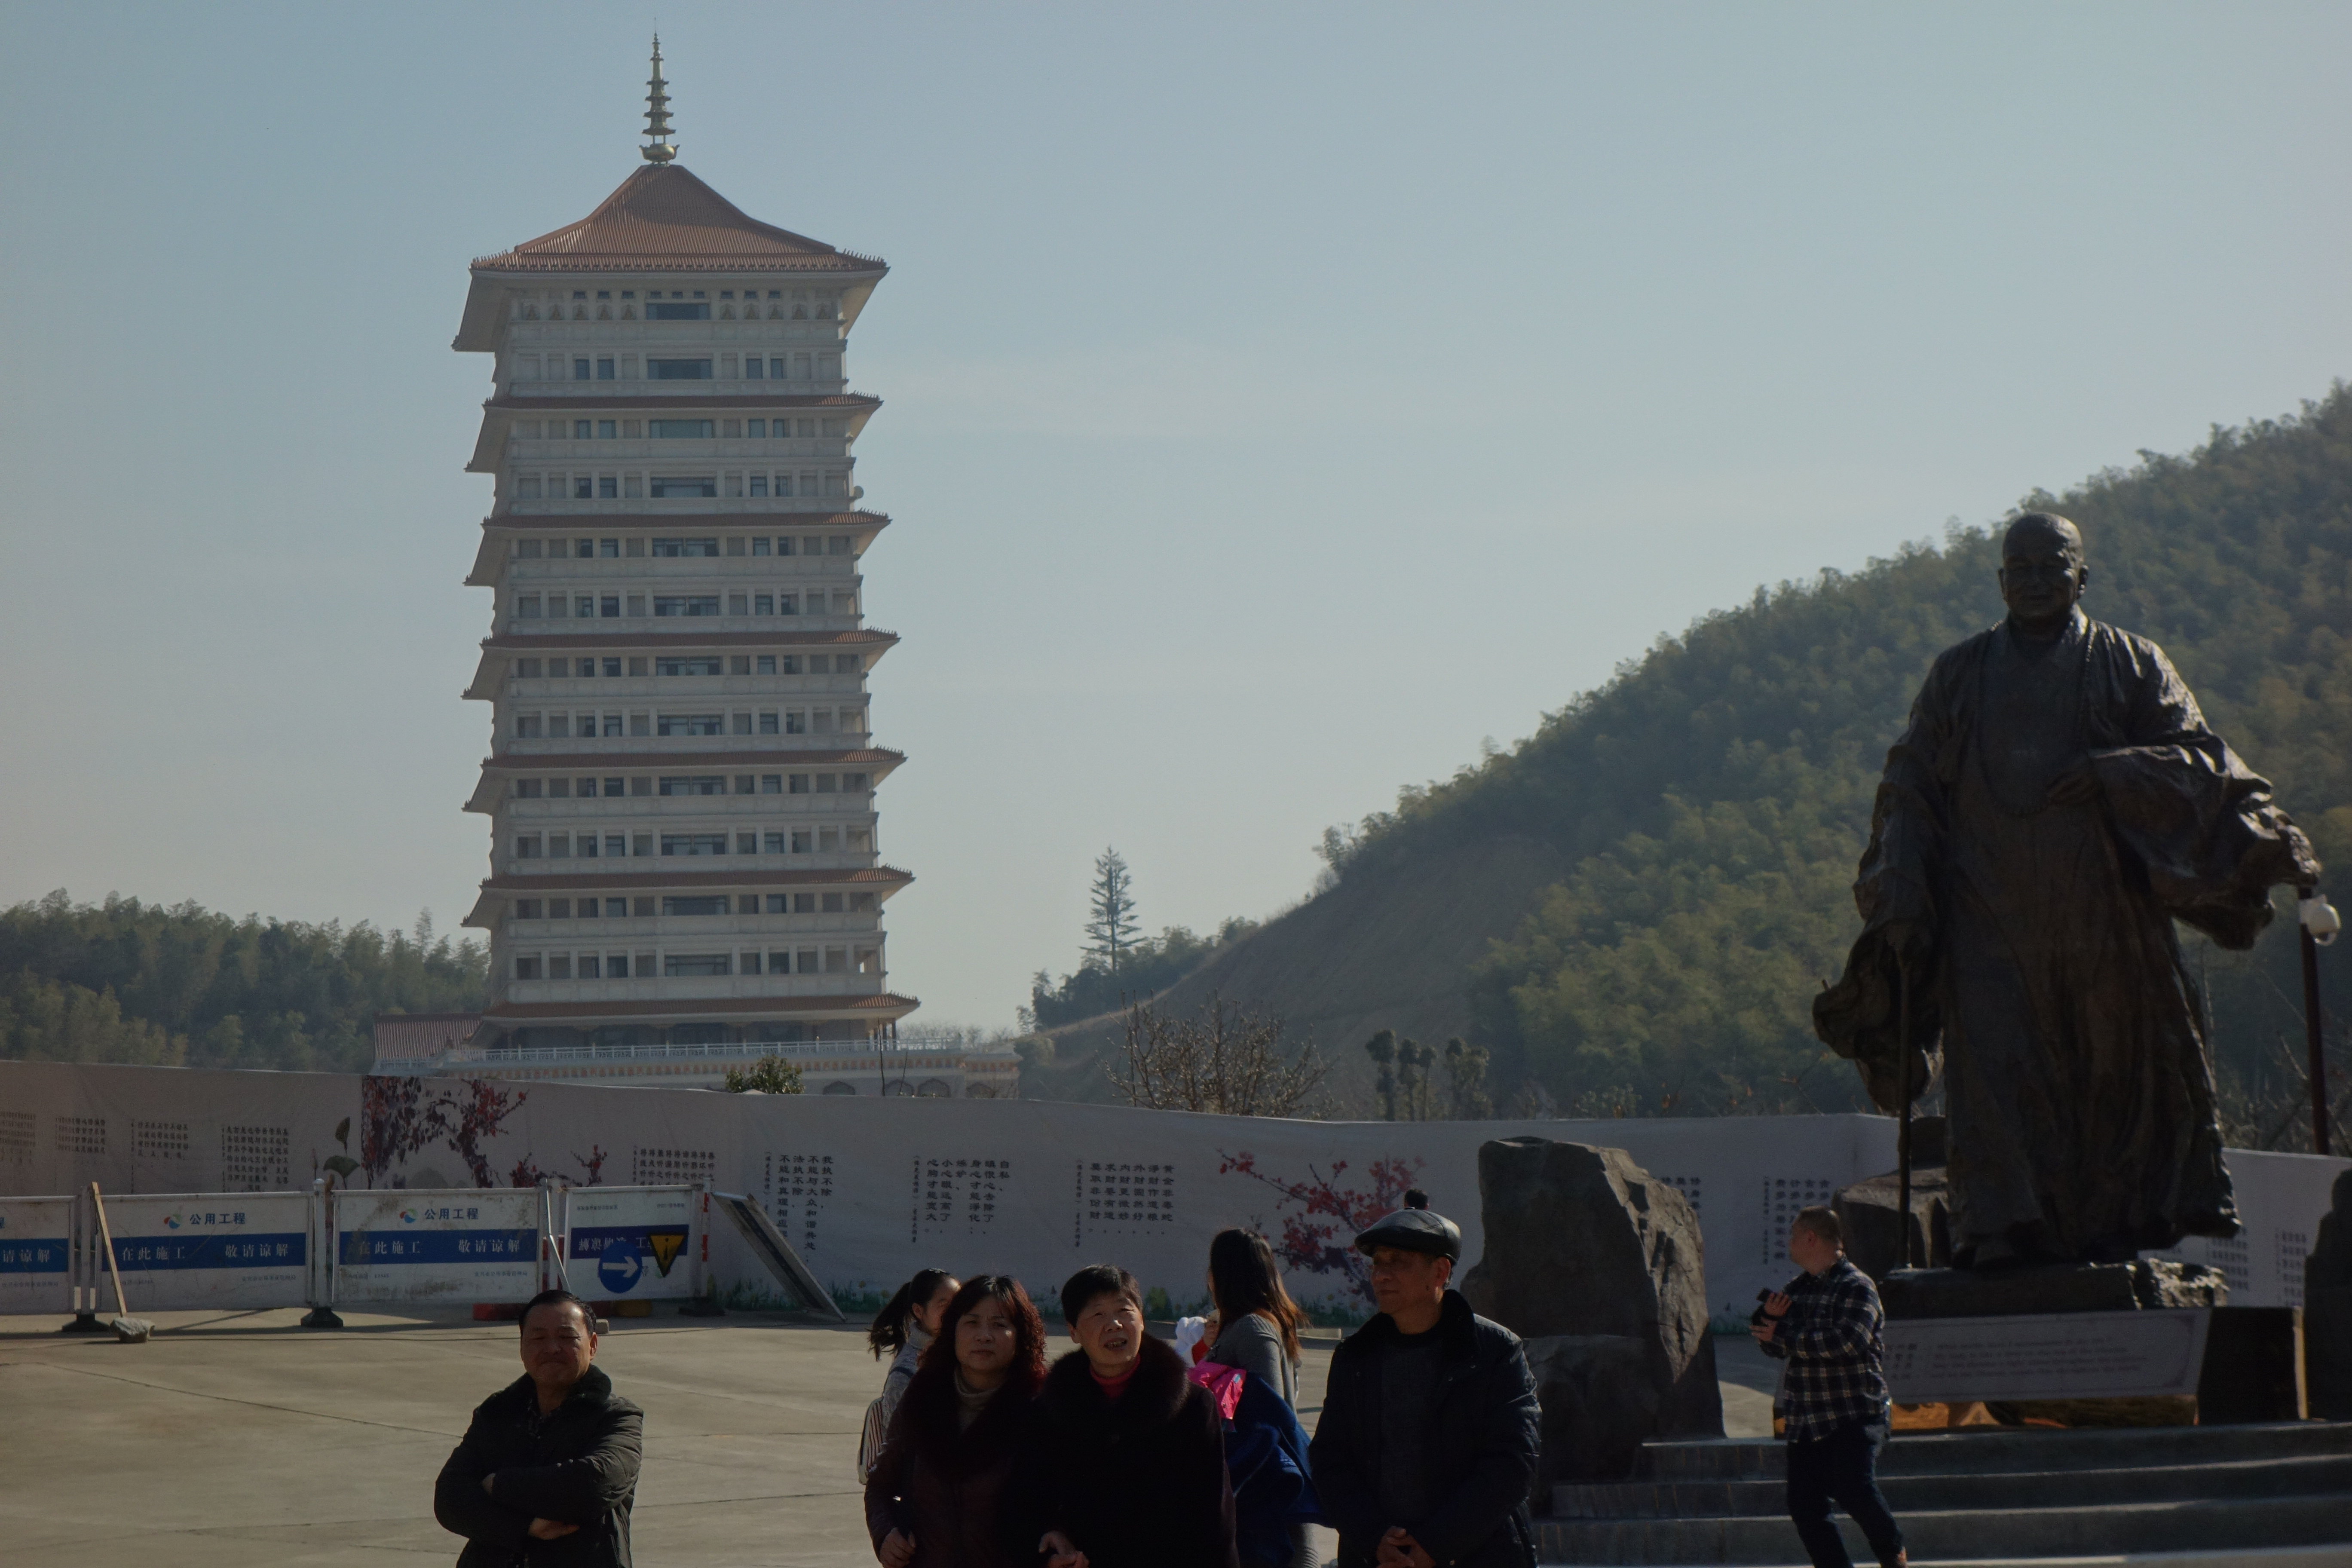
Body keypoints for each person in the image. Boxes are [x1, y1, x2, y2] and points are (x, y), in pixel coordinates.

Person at [1816, 511, 2318, 1266]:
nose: (2035, 580)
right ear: (1998, 581)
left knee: (2112, 1066)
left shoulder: (2131, 661)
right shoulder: (1958, 674)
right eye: (2018, 568)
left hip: (2103, 916)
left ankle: (2118, 1223)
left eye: (2052, 566)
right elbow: (1908, 784)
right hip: (1988, 912)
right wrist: (1901, 892)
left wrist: (2117, 771)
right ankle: (1997, 1228)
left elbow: (2204, 761)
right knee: (1994, 1075)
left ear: (2082, 575)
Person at [1310, 1197, 1538, 1568]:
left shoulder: (1495, 1352)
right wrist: (1374, 1538)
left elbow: (1512, 1463)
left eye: (1397, 1263)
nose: (1380, 1276)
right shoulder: (1356, 1357)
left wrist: (1436, 1544)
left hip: (1474, 1554)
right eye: (1378, 1264)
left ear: (1439, 1273)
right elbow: (1330, 1460)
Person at [1024, 1263, 1238, 1568]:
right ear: (1073, 1331)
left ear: (1142, 1321)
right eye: (1097, 1315)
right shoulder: (1049, 1410)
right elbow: (1029, 1502)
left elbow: (1215, 1518)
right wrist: (1051, 1541)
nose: (1113, 1324)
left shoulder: (1193, 1407)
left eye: (1124, 1311)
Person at [434, 1287, 643, 1567]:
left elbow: (594, 1485)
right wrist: (525, 1526)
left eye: (567, 1337)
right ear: (522, 1345)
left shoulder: (616, 1417)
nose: (552, 1348)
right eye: (539, 1338)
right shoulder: (497, 1413)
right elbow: (451, 1500)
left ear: (592, 1345)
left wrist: (498, 1484)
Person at [1753, 1207, 1905, 1568]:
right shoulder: (1796, 1289)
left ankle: (1893, 1554)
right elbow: (1774, 1345)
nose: (1788, 1243)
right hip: (1807, 1419)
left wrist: (1785, 1334)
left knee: (1854, 1488)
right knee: (1805, 1507)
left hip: (1853, 1412)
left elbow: (1848, 1342)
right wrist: (1769, 1325)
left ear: (1811, 1238)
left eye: (1793, 1236)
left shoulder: (1856, 1286)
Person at [864, 1274, 1049, 1568]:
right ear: (952, 1331)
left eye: (1000, 1325)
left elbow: (1072, 1501)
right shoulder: (924, 1395)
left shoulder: (1043, 1407)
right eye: (972, 1322)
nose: (984, 1336)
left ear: (1022, 1335)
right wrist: (885, 1535)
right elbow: (879, 1487)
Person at [1202, 1228, 1318, 1568]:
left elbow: (1270, 1413)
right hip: (1255, 1499)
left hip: (1264, 1501)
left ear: (1224, 1273)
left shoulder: (1253, 1329)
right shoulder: (1245, 1326)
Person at [872, 1269, 962, 1435]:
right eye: (944, 1306)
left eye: (959, 1304)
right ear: (919, 1311)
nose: (955, 1313)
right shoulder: (905, 1374)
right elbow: (895, 1441)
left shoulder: (966, 1354)